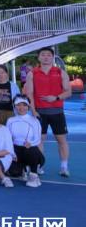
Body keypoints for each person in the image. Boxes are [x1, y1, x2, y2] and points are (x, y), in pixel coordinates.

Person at [24, 46, 72, 177]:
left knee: (61, 140)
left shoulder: (60, 72)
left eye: (49, 55)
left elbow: (68, 92)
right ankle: (39, 165)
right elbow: (29, 94)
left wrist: (56, 97)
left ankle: (64, 167)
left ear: (53, 57)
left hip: (57, 112)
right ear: (39, 57)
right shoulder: (32, 73)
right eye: (43, 55)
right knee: (39, 140)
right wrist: (33, 110)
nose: (46, 57)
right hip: (40, 113)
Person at [6, 96, 44, 187]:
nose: (21, 108)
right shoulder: (10, 120)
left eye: (24, 105)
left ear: (28, 107)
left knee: (31, 150)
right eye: (18, 105)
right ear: (14, 106)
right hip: (16, 150)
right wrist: (12, 153)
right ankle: (24, 169)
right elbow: (7, 138)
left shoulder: (34, 120)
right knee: (14, 172)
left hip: (30, 150)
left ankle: (34, 174)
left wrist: (31, 143)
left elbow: (38, 139)